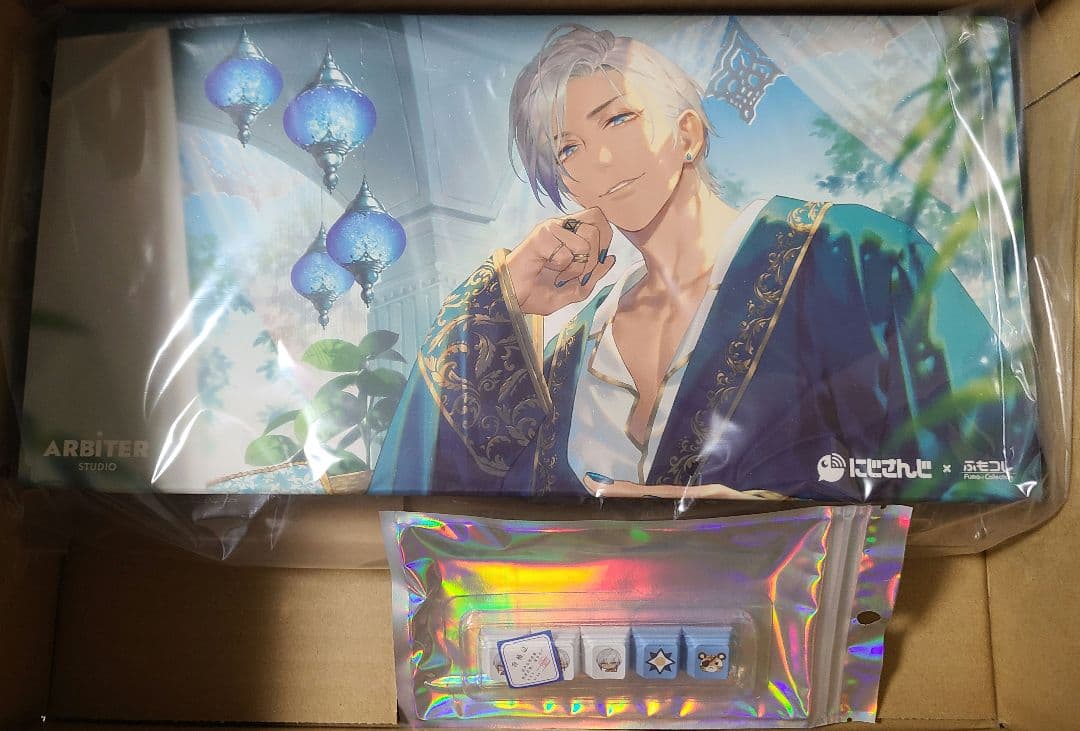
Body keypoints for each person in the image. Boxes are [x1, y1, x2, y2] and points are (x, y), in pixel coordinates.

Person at [369, 24, 1039, 502]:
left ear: (687, 131)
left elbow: (995, 459)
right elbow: (438, 503)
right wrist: (506, 296)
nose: (599, 160)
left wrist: (769, 521)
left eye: (618, 119)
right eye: (567, 148)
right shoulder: (576, 352)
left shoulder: (857, 257)